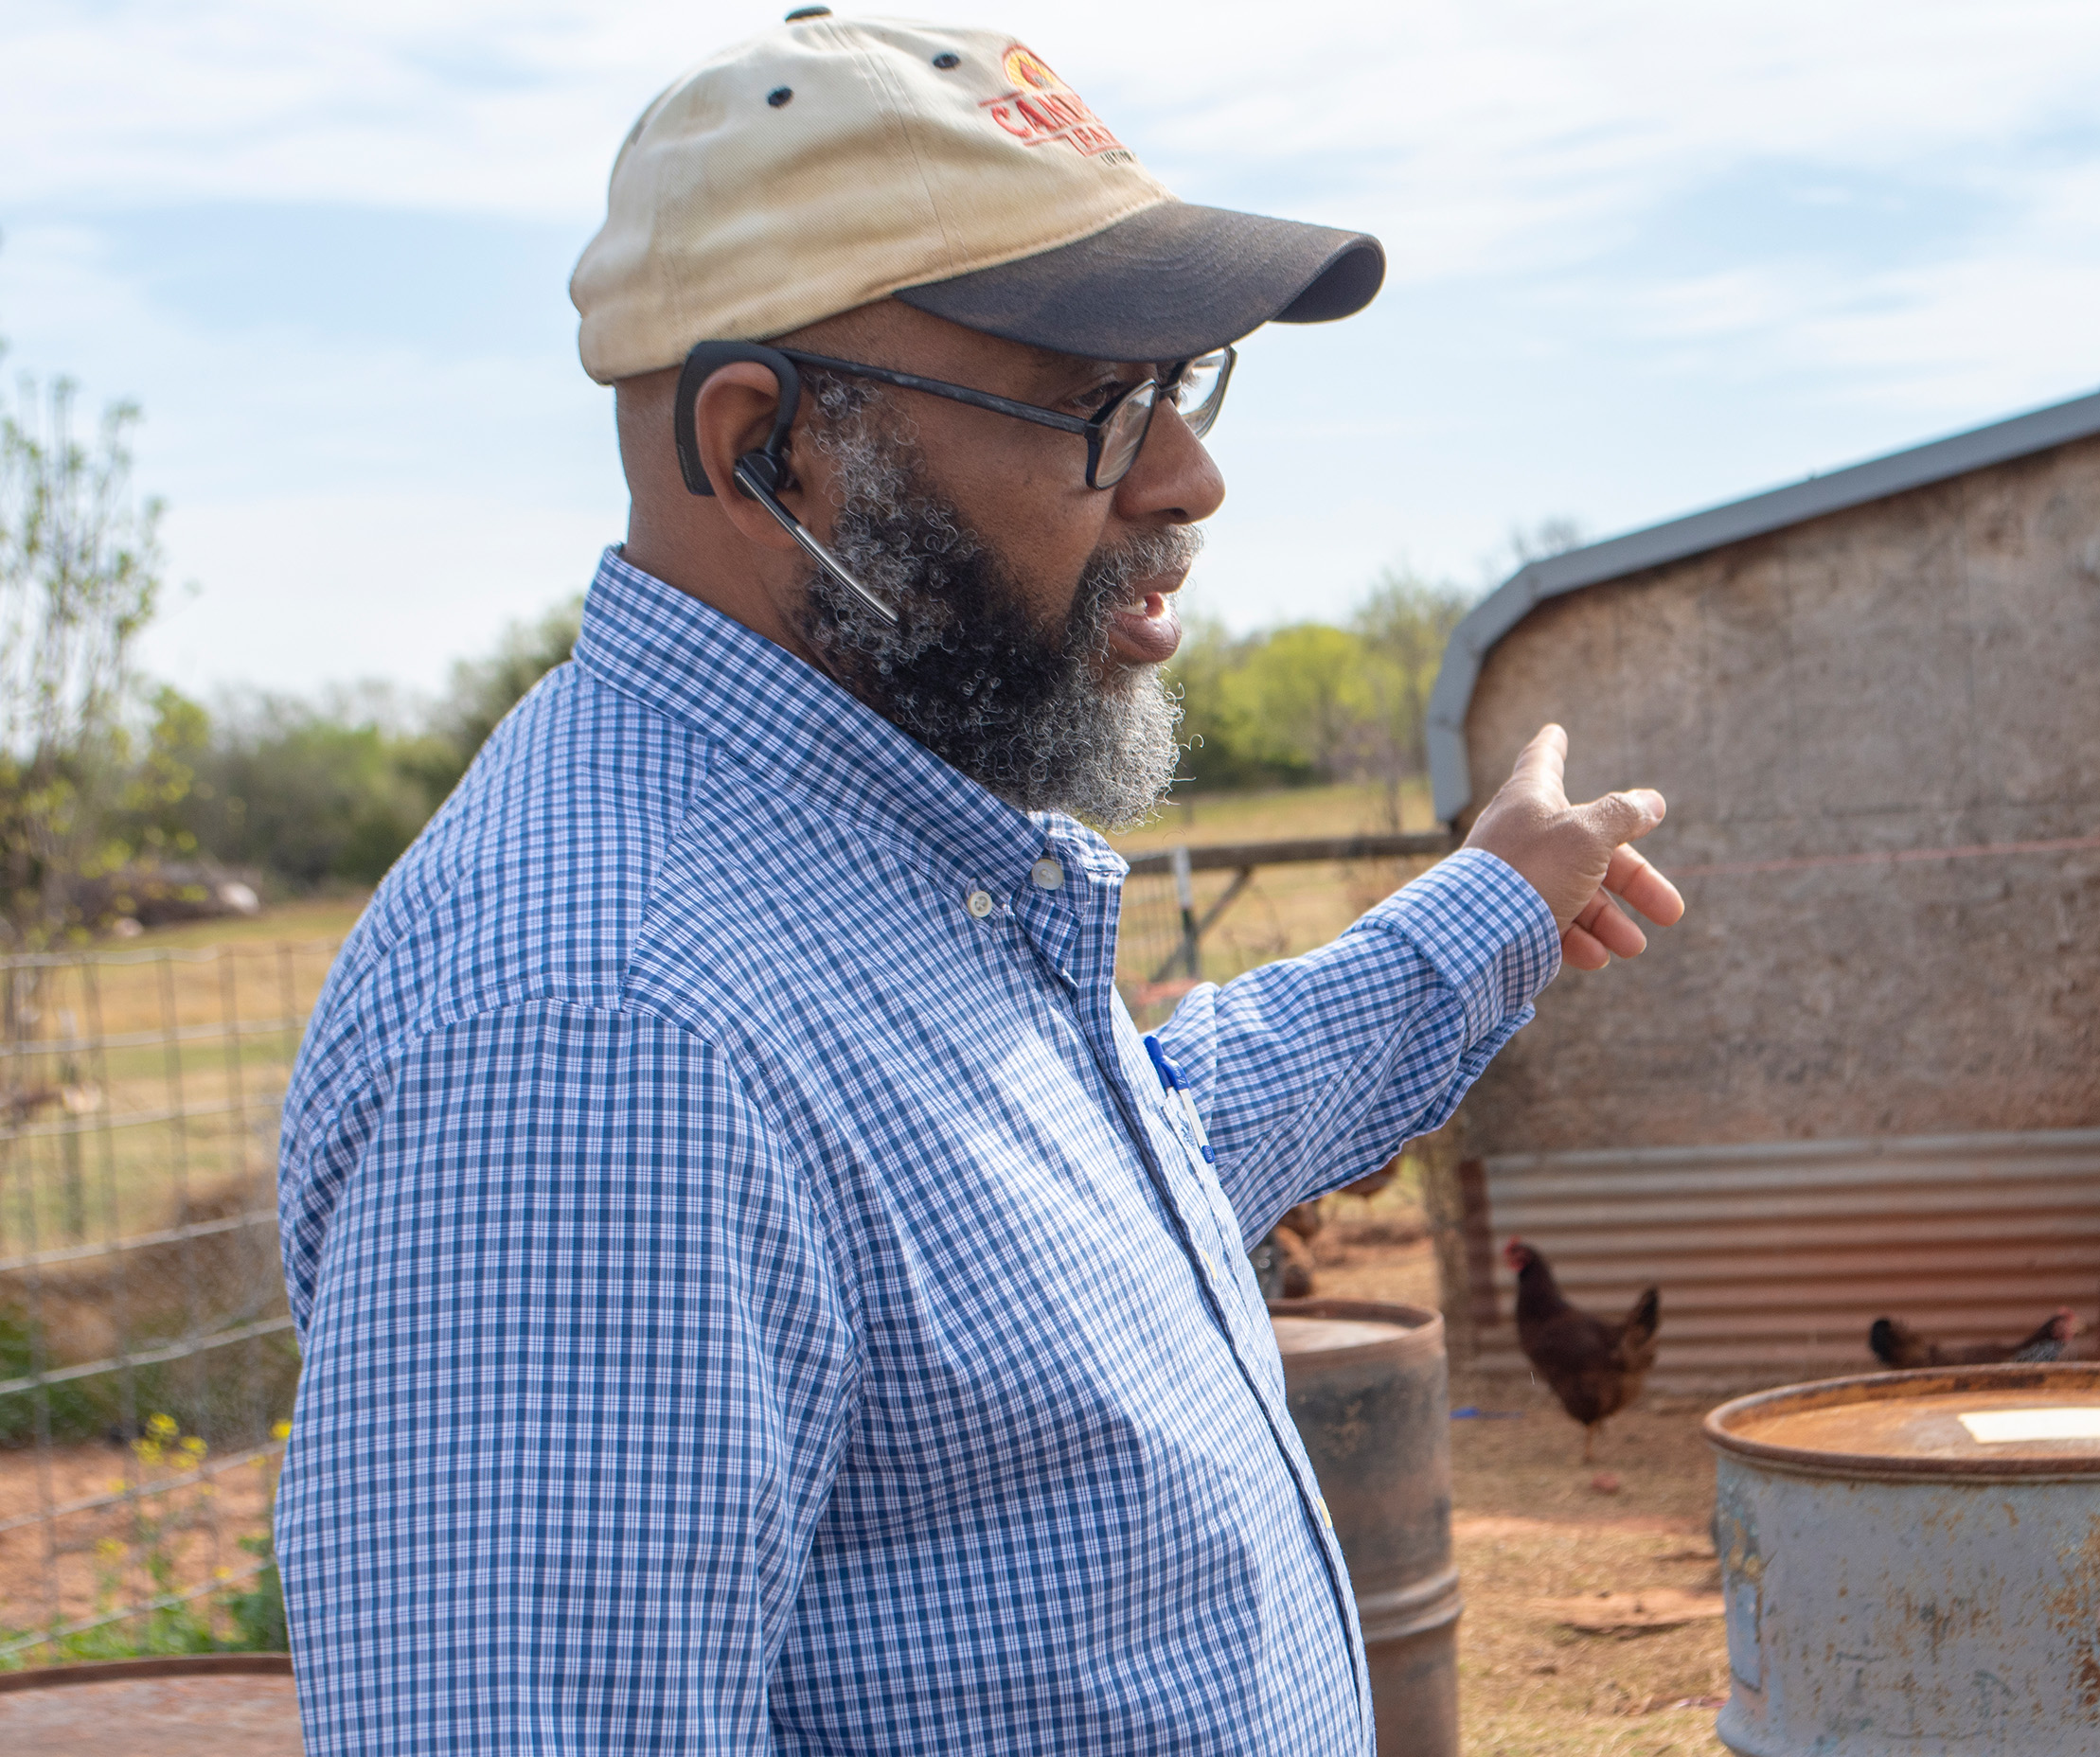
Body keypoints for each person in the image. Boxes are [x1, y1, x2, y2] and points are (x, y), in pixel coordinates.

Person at [274, 15, 1682, 1754]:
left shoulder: (846, 869)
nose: (1189, 477)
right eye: (1093, 401)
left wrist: (1487, 914)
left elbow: (1089, 1185)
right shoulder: (603, 1040)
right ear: (762, 446)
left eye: (1182, 386)